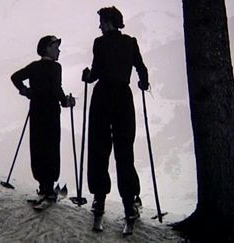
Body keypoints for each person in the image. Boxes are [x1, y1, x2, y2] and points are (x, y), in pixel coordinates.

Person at [82, 6, 149, 233]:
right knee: (124, 150)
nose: (99, 26)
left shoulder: (99, 43)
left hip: (102, 98)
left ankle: (99, 200)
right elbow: (141, 68)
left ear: (108, 21)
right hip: (123, 97)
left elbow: (96, 73)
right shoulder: (131, 42)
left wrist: (87, 77)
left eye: (101, 21)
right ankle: (129, 204)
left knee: (99, 148)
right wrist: (143, 83)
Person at [11, 35, 75, 207]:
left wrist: (26, 91)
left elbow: (15, 77)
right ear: (47, 48)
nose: (59, 50)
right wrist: (66, 101)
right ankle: (49, 187)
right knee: (52, 147)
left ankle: (43, 186)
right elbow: (56, 88)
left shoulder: (34, 67)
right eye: (56, 47)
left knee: (38, 146)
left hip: (37, 111)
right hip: (51, 112)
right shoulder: (56, 67)